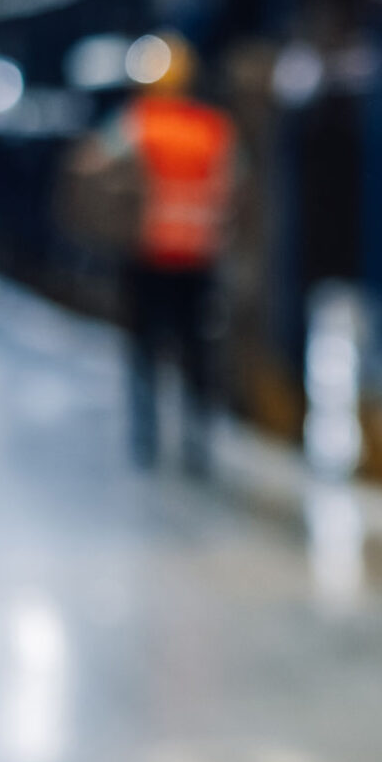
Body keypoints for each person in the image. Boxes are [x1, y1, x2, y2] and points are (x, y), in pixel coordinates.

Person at [71, 31, 236, 476]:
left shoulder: (137, 123)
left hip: (148, 254)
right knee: (196, 348)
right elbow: (235, 191)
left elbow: (88, 167)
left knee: (146, 345)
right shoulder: (212, 128)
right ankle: (198, 441)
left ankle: (146, 437)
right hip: (199, 257)